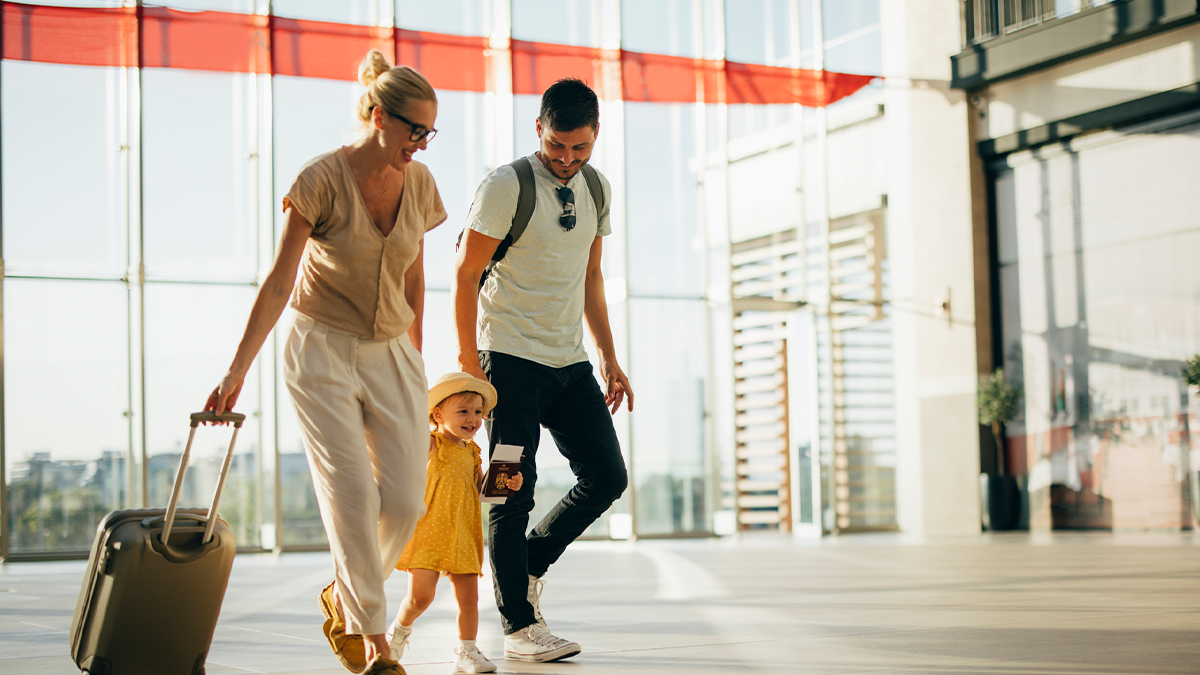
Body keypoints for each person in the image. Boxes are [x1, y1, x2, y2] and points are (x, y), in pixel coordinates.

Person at [205, 49, 445, 675]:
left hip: (393, 351)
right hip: (321, 351)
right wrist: (236, 372)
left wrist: (414, 361)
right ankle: (374, 640)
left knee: (405, 502)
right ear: (376, 115)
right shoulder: (319, 180)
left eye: (429, 131)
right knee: (351, 498)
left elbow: (416, 279)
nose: (421, 143)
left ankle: (343, 596)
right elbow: (280, 281)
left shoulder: (419, 183)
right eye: (413, 129)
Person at [451, 77, 633, 663]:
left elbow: (592, 276)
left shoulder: (598, 188)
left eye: (579, 148)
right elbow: (463, 276)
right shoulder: (507, 185)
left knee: (606, 477)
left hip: (569, 359)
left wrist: (608, 354)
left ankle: (527, 564)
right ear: (539, 130)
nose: (566, 159)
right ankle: (518, 626)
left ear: (596, 137)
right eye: (557, 146)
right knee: (511, 491)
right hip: (507, 357)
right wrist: (466, 363)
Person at [384, 372, 523, 674]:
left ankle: (467, 650)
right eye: (463, 411)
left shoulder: (472, 451)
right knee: (421, 596)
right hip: (429, 531)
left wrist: (507, 482)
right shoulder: (431, 444)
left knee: (469, 598)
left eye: (477, 412)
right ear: (437, 414)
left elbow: (482, 489)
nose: (472, 419)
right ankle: (398, 630)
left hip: (462, 532)